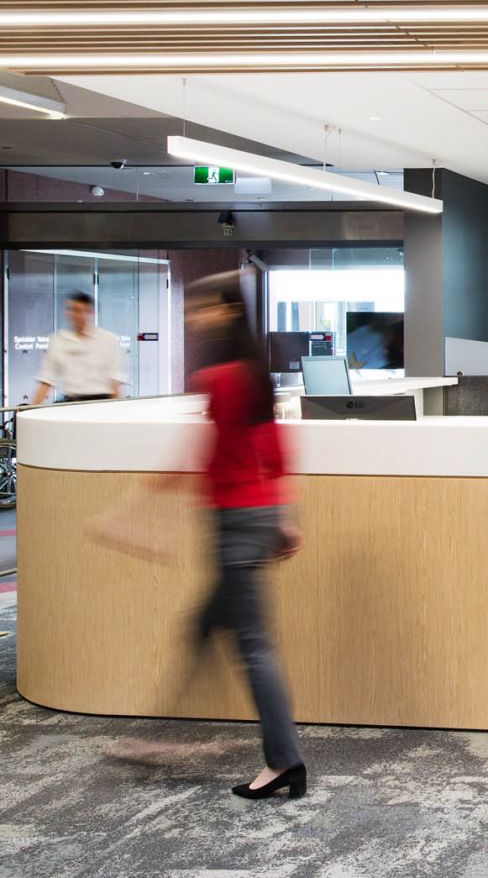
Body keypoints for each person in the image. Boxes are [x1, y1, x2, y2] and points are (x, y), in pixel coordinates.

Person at [173, 271, 307, 800]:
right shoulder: (254, 375)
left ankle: (284, 762)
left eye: (200, 307)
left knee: (252, 646)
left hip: (233, 521)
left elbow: (213, 459)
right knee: (206, 624)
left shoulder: (220, 378)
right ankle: (163, 725)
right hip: (251, 517)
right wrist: (282, 516)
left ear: (227, 311)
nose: (193, 317)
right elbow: (274, 454)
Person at [29, 290, 123, 405]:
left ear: (91, 312)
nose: (79, 315)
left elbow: (114, 381)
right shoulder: (57, 340)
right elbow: (46, 379)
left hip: (103, 403)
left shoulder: (108, 339)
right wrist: (30, 410)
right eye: (74, 310)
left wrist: (119, 409)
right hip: (71, 404)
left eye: (84, 311)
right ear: (68, 313)